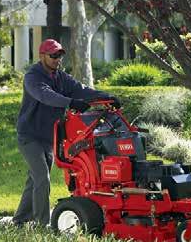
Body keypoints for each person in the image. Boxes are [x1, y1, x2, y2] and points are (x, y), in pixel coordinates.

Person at [13, 38, 120, 227]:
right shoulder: (33, 77)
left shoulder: (61, 77)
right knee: (42, 178)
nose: (57, 59)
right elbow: (45, 95)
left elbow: (81, 90)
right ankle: (42, 225)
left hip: (50, 138)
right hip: (30, 136)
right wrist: (70, 102)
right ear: (42, 56)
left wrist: (107, 97)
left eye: (59, 56)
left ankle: (20, 220)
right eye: (53, 55)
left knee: (35, 179)